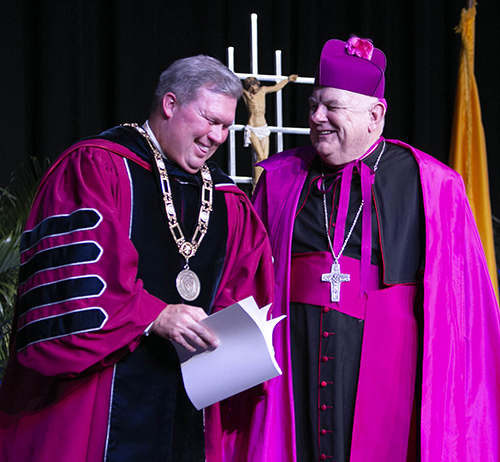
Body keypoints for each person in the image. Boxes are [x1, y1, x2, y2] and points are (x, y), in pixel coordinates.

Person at [0, 55, 274, 462]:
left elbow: (244, 285)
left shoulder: (228, 200)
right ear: (169, 104)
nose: (217, 137)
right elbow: (79, 283)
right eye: (209, 120)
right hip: (99, 393)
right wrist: (154, 314)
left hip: (190, 402)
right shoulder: (97, 167)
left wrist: (230, 336)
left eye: (225, 127)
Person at [251, 36, 500, 462]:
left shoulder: (432, 185)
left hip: (392, 378)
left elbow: (463, 311)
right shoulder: (280, 178)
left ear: (375, 113)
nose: (317, 118)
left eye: (332, 107)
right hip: (295, 374)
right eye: (313, 105)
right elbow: (249, 283)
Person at [242, 74, 297, 184]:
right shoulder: (246, 94)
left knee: (265, 157)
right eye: (252, 86)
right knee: (260, 156)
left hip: (263, 127)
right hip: (253, 128)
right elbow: (233, 86)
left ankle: (261, 182)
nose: (255, 88)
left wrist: (288, 80)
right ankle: (256, 184)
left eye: (256, 85)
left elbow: (275, 87)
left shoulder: (262, 91)